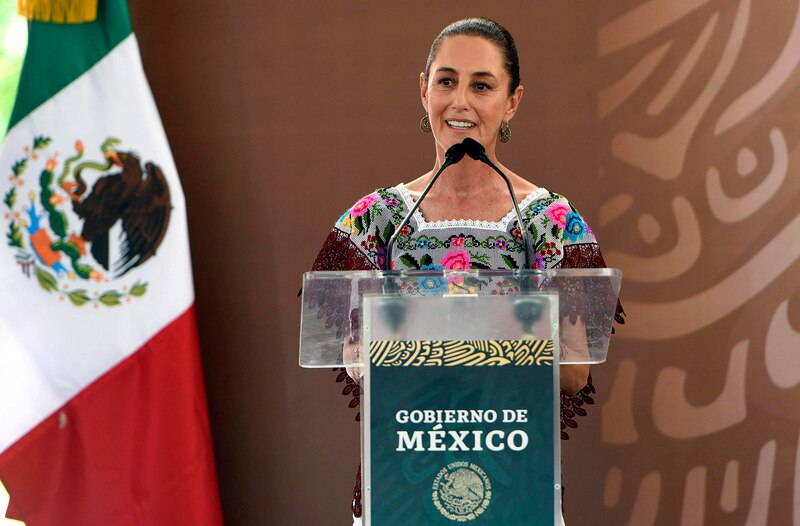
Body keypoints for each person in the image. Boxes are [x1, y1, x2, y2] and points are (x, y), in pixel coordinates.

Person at [310, 17, 624, 526]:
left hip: (516, 486)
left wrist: (491, 333)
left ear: (513, 101)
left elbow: (574, 373)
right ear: (423, 89)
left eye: (482, 86)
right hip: (400, 484)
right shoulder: (377, 219)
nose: (460, 102)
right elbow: (351, 357)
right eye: (446, 81)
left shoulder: (550, 221)